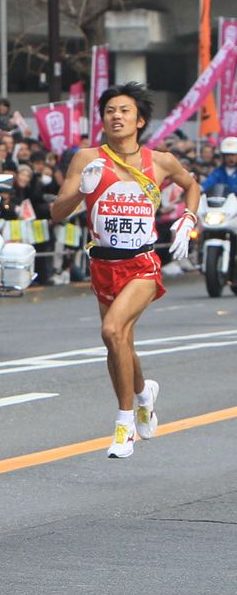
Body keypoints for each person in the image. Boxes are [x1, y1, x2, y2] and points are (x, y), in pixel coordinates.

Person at [49, 82, 201, 459]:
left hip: (143, 265)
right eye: (110, 111)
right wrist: (80, 192)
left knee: (112, 330)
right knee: (120, 342)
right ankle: (144, 393)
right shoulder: (87, 159)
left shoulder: (160, 161)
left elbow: (191, 184)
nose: (116, 116)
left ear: (140, 120)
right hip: (103, 263)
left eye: (124, 111)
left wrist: (189, 217)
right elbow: (56, 212)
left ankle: (124, 423)